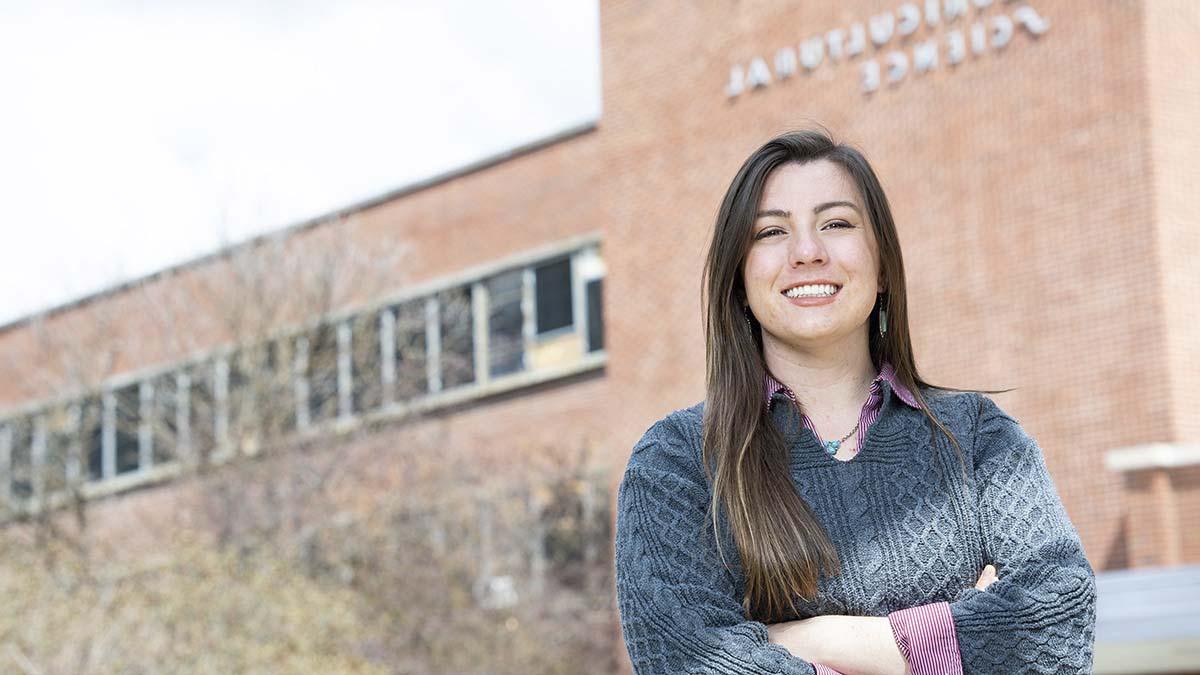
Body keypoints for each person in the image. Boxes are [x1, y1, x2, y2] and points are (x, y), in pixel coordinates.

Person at [614, 129, 1096, 674]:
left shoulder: (980, 437)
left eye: (836, 223)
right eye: (772, 231)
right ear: (738, 280)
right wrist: (954, 642)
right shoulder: (677, 463)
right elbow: (685, 659)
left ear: (884, 264)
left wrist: (808, 639)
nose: (807, 252)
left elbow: (1060, 616)